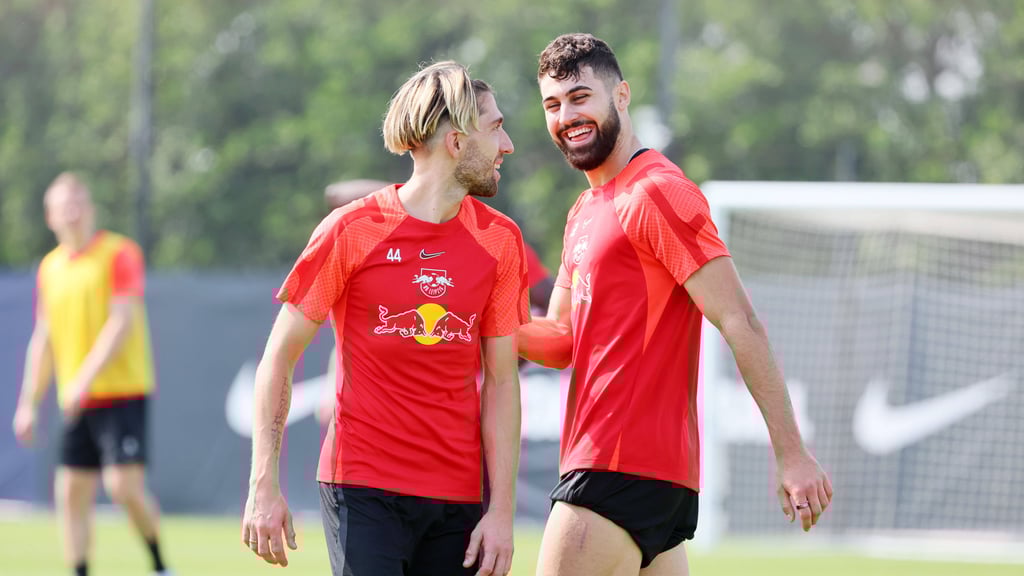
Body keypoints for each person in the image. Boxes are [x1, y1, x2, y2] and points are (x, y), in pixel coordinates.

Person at [518, 33, 833, 576]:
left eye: (580, 97)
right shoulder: (584, 210)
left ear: (621, 97)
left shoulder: (657, 192)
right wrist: (480, 320)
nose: (567, 115)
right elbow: (562, 341)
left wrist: (792, 454)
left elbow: (740, 321)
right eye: (553, 104)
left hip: (614, 468)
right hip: (646, 485)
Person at [241, 61, 529, 576]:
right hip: (362, 488)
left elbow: (503, 381)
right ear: (457, 142)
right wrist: (264, 483)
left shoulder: (501, 241)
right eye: (496, 127)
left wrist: (501, 512)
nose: (506, 144)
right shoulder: (350, 231)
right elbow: (278, 356)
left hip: (459, 501)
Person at [11, 173, 171, 576]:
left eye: (79, 201)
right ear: (50, 216)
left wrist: (83, 377)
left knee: (123, 488)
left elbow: (121, 323)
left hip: (122, 392)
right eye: (64, 204)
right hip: (77, 401)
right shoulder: (49, 268)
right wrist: (28, 403)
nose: (73, 210)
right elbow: (43, 339)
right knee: (71, 493)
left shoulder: (119, 253)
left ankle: (160, 565)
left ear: (91, 207)